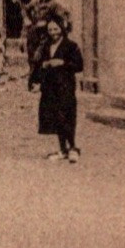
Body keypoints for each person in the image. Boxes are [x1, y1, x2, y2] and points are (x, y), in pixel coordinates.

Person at [33, 18, 85, 162]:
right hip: (50, 86)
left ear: (62, 29)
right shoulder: (45, 46)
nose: (53, 33)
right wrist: (44, 65)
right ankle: (63, 149)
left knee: (67, 116)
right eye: (50, 30)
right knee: (56, 117)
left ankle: (73, 147)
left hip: (65, 86)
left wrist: (62, 62)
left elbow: (79, 65)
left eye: (56, 29)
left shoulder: (71, 46)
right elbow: (38, 65)